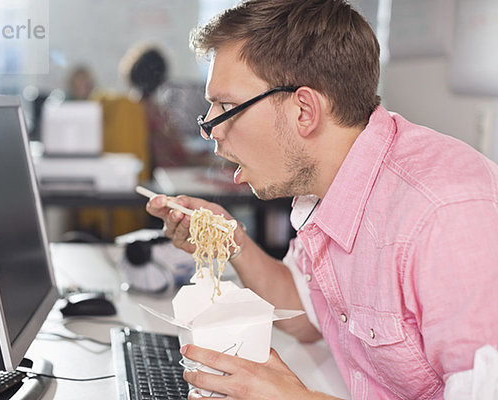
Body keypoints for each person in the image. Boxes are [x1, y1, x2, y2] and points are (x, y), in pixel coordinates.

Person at [145, 1, 498, 399]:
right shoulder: (330, 186)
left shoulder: (445, 214)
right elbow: (306, 313)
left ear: (304, 111)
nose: (211, 129)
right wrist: (231, 241)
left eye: (226, 107)